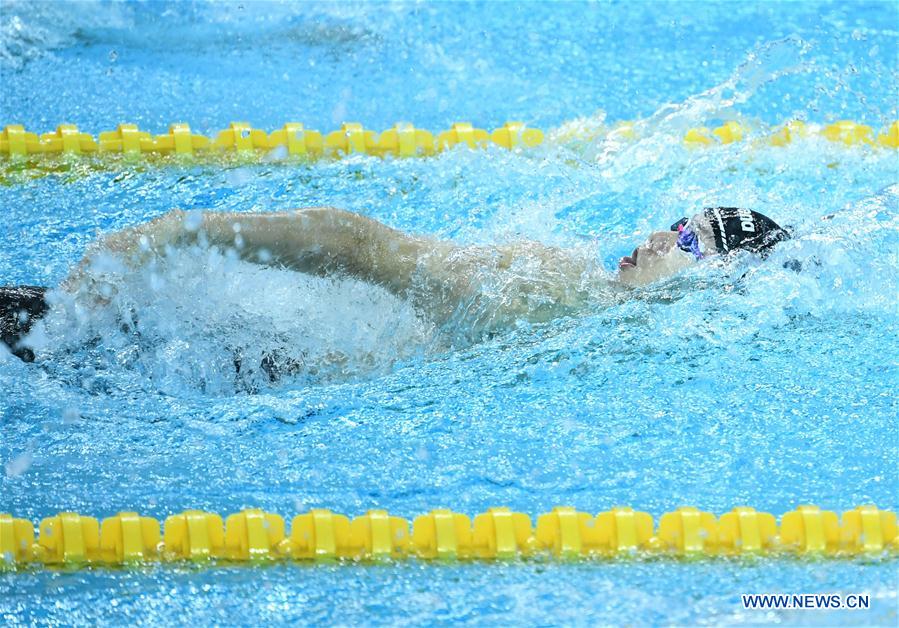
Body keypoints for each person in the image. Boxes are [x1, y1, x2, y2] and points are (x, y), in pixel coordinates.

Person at [1, 206, 790, 363]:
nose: (656, 235)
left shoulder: (588, 311)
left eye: (687, 238)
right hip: (227, 365)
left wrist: (176, 234)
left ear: (717, 280)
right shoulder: (552, 284)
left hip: (235, 367)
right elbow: (364, 248)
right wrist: (175, 235)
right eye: (672, 220)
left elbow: (361, 246)